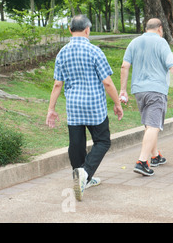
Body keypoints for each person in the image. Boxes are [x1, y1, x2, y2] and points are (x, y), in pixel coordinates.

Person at [46, 15, 123, 201]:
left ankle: (80, 177)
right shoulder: (94, 51)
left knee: (77, 143)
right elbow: (107, 82)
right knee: (103, 141)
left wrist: (51, 109)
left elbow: (58, 84)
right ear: (87, 29)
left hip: (73, 106)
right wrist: (117, 103)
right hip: (94, 106)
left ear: (70, 30)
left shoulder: (62, 53)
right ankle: (85, 174)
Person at [120, 18, 173, 176]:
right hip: (156, 90)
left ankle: (155, 156)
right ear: (160, 28)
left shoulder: (134, 42)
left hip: (138, 90)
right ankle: (141, 161)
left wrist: (123, 90)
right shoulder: (161, 43)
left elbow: (125, 66)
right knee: (154, 125)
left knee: (149, 124)